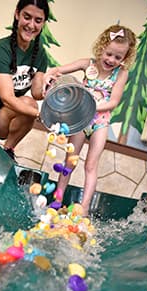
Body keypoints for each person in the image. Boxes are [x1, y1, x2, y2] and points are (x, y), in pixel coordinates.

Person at [43, 24, 136, 216]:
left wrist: (90, 105)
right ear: (102, 47)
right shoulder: (88, 64)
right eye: (109, 54)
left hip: (100, 123)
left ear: (125, 58)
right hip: (80, 121)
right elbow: (58, 70)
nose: (111, 60)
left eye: (118, 57)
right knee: (70, 161)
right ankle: (57, 201)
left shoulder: (121, 74)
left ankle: (83, 207)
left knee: (91, 165)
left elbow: (113, 102)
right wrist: (49, 76)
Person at [0, 0, 50, 160]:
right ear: (17, 14)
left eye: (38, 20)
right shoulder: (0, 50)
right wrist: (40, 114)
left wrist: (51, 88)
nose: (31, 25)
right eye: (27, 17)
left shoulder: (40, 54)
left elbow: (37, 93)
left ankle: (7, 152)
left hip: (6, 112)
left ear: (43, 23)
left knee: (30, 103)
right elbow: (7, 97)